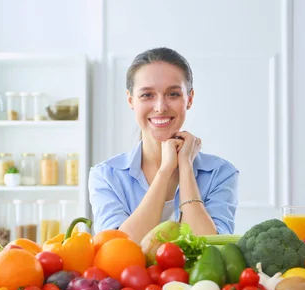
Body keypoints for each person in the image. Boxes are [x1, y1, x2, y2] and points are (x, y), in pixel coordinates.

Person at [88, 47, 239, 243]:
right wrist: (165, 170)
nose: (160, 107)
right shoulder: (106, 176)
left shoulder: (221, 173)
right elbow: (118, 250)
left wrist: (185, 166)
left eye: (173, 94)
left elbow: (210, 250)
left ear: (189, 99)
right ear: (131, 100)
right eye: (147, 95)